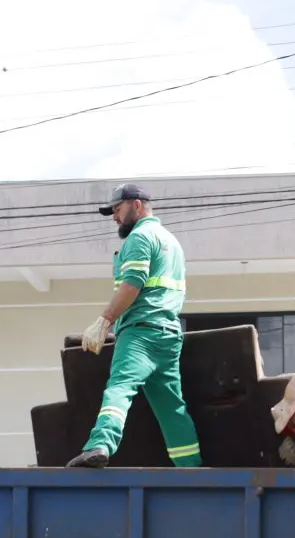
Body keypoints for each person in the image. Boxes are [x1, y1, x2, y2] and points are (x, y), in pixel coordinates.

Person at [68, 183, 203, 469]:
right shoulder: (172, 243)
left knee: (119, 387)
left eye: (118, 209)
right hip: (168, 335)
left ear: (137, 205)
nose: (115, 216)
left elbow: (132, 284)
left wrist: (105, 320)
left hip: (140, 333)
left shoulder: (140, 238)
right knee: (171, 408)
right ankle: (192, 468)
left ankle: (100, 445)